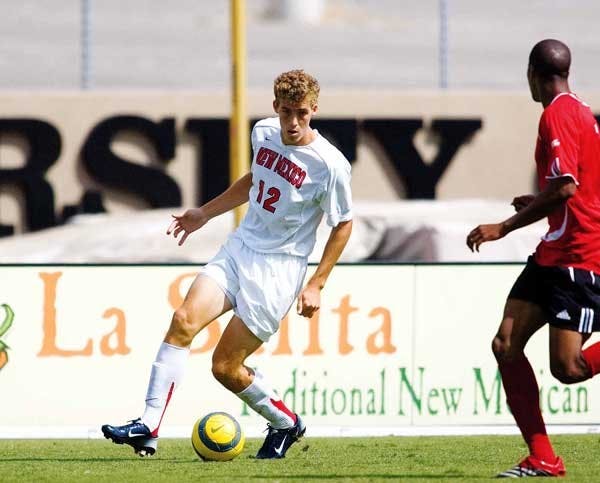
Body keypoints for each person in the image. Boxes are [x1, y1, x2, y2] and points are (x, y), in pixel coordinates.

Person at [102, 69, 353, 459]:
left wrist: (317, 283)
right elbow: (255, 180)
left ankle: (285, 422)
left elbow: (343, 224)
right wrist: (204, 213)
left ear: (314, 110)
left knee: (224, 367)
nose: (293, 122)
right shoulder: (264, 133)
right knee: (183, 320)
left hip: (279, 271)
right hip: (239, 249)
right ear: (275, 107)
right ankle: (148, 427)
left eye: (302, 113)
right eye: (286, 112)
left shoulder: (330, 164)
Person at [467, 39, 600, 478]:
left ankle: (544, 456)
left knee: (569, 368)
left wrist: (503, 227)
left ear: (531, 73)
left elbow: (565, 188)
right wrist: (538, 202)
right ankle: (544, 458)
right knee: (505, 344)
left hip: (578, 256)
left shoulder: (558, 114)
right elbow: (575, 187)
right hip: (553, 252)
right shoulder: (581, 111)